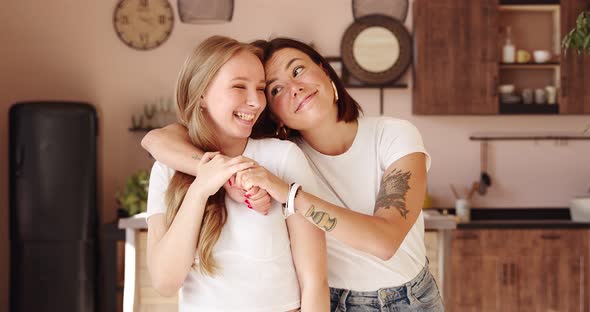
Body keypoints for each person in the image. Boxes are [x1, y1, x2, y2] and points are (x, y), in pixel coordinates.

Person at [142, 37, 444, 311]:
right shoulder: (276, 151)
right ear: (273, 113)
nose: (295, 89)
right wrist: (214, 176)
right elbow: (156, 139)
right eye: (274, 89)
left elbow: (383, 241)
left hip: (406, 299)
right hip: (335, 301)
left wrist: (287, 193)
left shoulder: (388, 136)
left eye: (298, 71)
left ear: (325, 70)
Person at [144, 36, 329, 312]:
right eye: (239, 86)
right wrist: (201, 188)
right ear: (201, 93)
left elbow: (314, 280)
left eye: (261, 89)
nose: (255, 102)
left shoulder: (281, 158)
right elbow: (165, 281)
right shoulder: (168, 169)